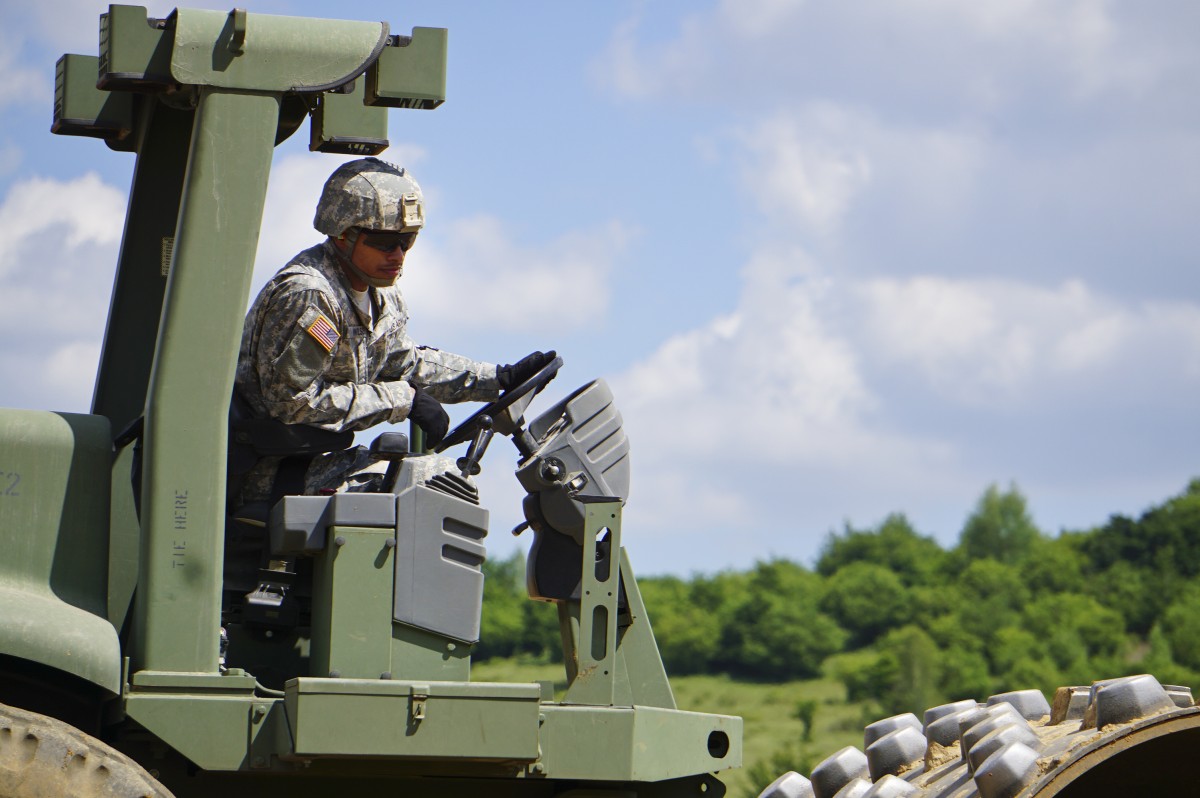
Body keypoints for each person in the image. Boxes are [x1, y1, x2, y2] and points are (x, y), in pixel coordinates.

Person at [232, 157, 553, 505]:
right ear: (343, 235)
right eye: (385, 243)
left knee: (435, 481)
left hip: (312, 459)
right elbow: (292, 403)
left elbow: (403, 362)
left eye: (407, 241)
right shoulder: (311, 296)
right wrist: (403, 400)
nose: (398, 255)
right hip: (266, 471)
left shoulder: (381, 292)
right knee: (418, 495)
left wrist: (497, 380)